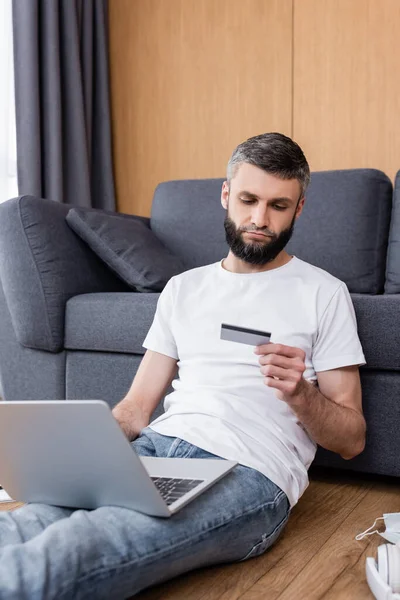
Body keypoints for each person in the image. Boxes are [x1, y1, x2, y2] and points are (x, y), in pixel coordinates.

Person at [0, 133, 366, 599]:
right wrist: (86, 447)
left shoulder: (324, 293)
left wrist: (302, 395)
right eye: (249, 199)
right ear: (226, 194)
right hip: (156, 447)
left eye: (278, 205)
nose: (259, 219)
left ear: (299, 209)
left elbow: (352, 440)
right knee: (28, 521)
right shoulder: (183, 289)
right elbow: (135, 408)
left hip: (248, 471)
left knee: (76, 550)